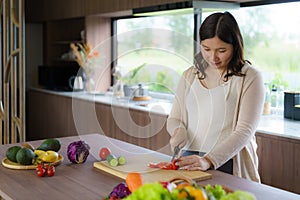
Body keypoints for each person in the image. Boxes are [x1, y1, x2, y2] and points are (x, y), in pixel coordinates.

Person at [166, 11, 264, 182]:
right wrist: (178, 130)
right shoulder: (190, 75)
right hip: (190, 161)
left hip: (227, 162)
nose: (213, 57)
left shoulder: (250, 77)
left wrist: (209, 160)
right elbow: (175, 118)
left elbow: (244, 131)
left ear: (235, 46)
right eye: (206, 49)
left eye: (221, 50)